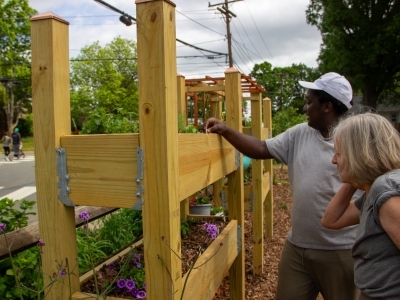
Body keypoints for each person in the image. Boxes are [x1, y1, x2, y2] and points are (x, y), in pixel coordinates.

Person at [205, 72, 360, 300]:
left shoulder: (355, 142)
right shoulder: (300, 134)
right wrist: (225, 129)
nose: (305, 108)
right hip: (298, 247)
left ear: (327, 107)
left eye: (309, 102)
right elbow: (260, 149)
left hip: (341, 250)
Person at [322, 113, 400, 300]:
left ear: (358, 154)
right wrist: (357, 173)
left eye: (339, 153)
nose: (334, 160)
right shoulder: (374, 189)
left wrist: (358, 166)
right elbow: (332, 220)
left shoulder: (385, 191)